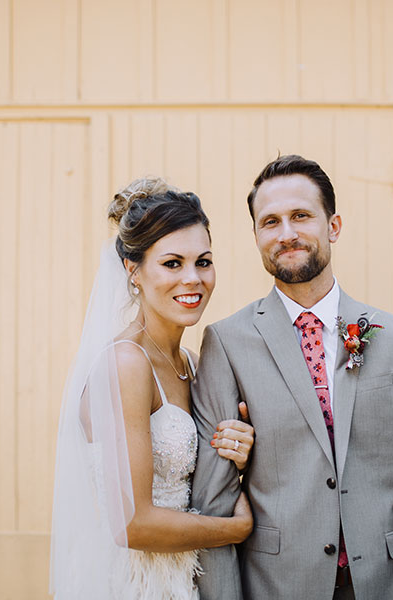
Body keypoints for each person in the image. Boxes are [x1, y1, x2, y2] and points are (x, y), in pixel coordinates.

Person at [190, 155, 393, 599]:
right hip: (277, 586)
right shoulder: (226, 343)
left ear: (333, 226)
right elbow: (212, 506)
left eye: (301, 216)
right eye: (270, 222)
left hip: (382, 586)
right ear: (256, 236)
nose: (286, 233)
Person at [50, 177, 256, 600]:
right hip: (136, 585)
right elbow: (132, 523)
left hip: (184, 579)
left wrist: (237, 450)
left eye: (203, 261)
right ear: (133, 270)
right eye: (172, 263)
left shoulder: (190, 364)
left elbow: (196, 480)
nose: (193, 279)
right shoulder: (127, 362)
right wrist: (234, 529)